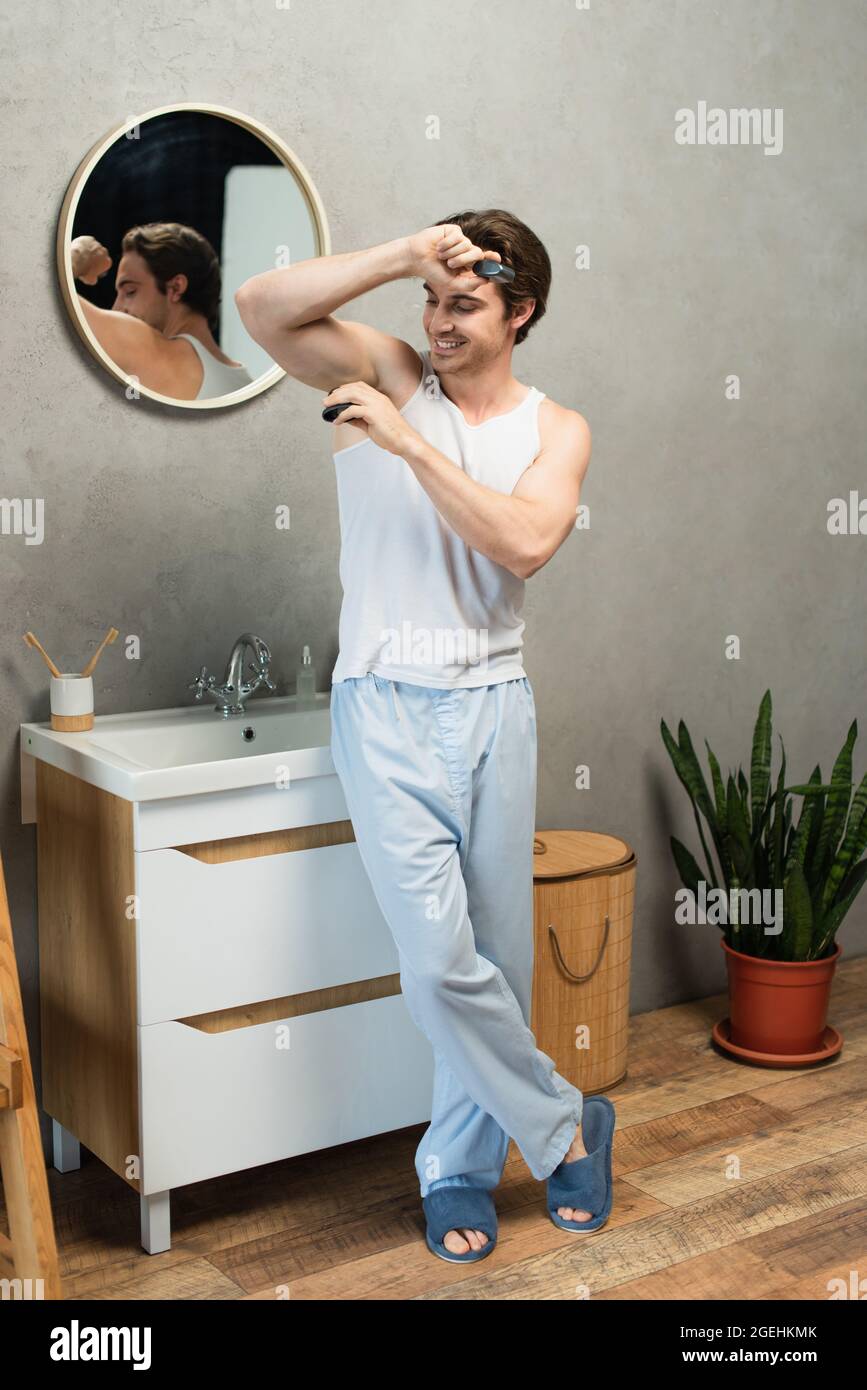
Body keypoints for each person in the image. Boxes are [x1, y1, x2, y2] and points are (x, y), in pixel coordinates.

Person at [236, 213, 605, 1262]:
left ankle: (457, 1169)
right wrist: (405, 254)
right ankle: (569, 1125)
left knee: (496, 960)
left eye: (466, 304)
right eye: (431, 301)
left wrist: (406, 442)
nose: (439, 324)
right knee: (440, 966)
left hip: (495, 705)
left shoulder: (555, 429)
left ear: (521, 310)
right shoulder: (388, 367)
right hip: (385, 702)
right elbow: (261, 308)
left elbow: (526, 542)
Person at [70, 222, 253, 400]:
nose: (116, 308)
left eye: (130, 291)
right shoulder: (246, 383)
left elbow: (48, 303)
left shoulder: (162, 354)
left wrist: (77, 255)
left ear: (175, 287)